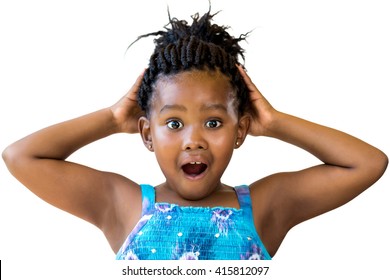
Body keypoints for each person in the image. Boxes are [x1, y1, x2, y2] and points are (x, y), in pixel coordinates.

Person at [2, 8, 387, 261]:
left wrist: (274, 122)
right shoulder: (123, 206)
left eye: (215, 122)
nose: (194, 140)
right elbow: (20, 157)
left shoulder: (265, 208)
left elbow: (368, 163)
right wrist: (111, 118)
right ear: (146, 133)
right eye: (173, 124)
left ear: (241, 131)